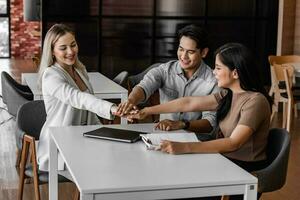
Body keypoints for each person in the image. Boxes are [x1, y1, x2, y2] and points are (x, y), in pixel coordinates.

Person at [128, 43, 272, 199]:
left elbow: (233, 143)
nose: (213, 72)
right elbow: (187, 103)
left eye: (218, 68)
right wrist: (146, 111)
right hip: (224, 160)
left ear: (235, 73)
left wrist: (185, 147)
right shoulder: (228, 94)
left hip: (243, 171)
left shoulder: (255, 101)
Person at [36, 24, 117, 171]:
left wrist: (105, 132)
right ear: (52, 51)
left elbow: (89, 112)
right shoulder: (51, 75)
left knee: (115, 156)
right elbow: (78, 98)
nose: (70, 51)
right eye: (63, 48)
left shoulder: (80, 70)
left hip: (81, 139)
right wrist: (112, 108)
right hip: (58, 146)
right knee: (100, 165)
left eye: (73, 45)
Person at [117, 24, 219, 135]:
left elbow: (210, 123)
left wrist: (182, 124)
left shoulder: (214, 81)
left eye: (190, 52)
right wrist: (131, 101)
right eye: (181, 49)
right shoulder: (165, 70)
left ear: (203, 52)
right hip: (162, 135)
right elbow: (144, 86)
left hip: (195, 140)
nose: (183, 56)